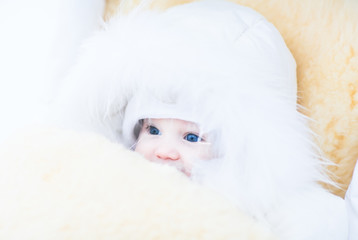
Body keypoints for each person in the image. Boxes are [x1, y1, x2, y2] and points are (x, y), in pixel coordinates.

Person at [58, 0, 348, 239]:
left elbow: (329, 226)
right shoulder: (113, 181)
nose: (164, 151)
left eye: (192, 137)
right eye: (153, 129)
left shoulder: (272, 213)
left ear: (240, 150)